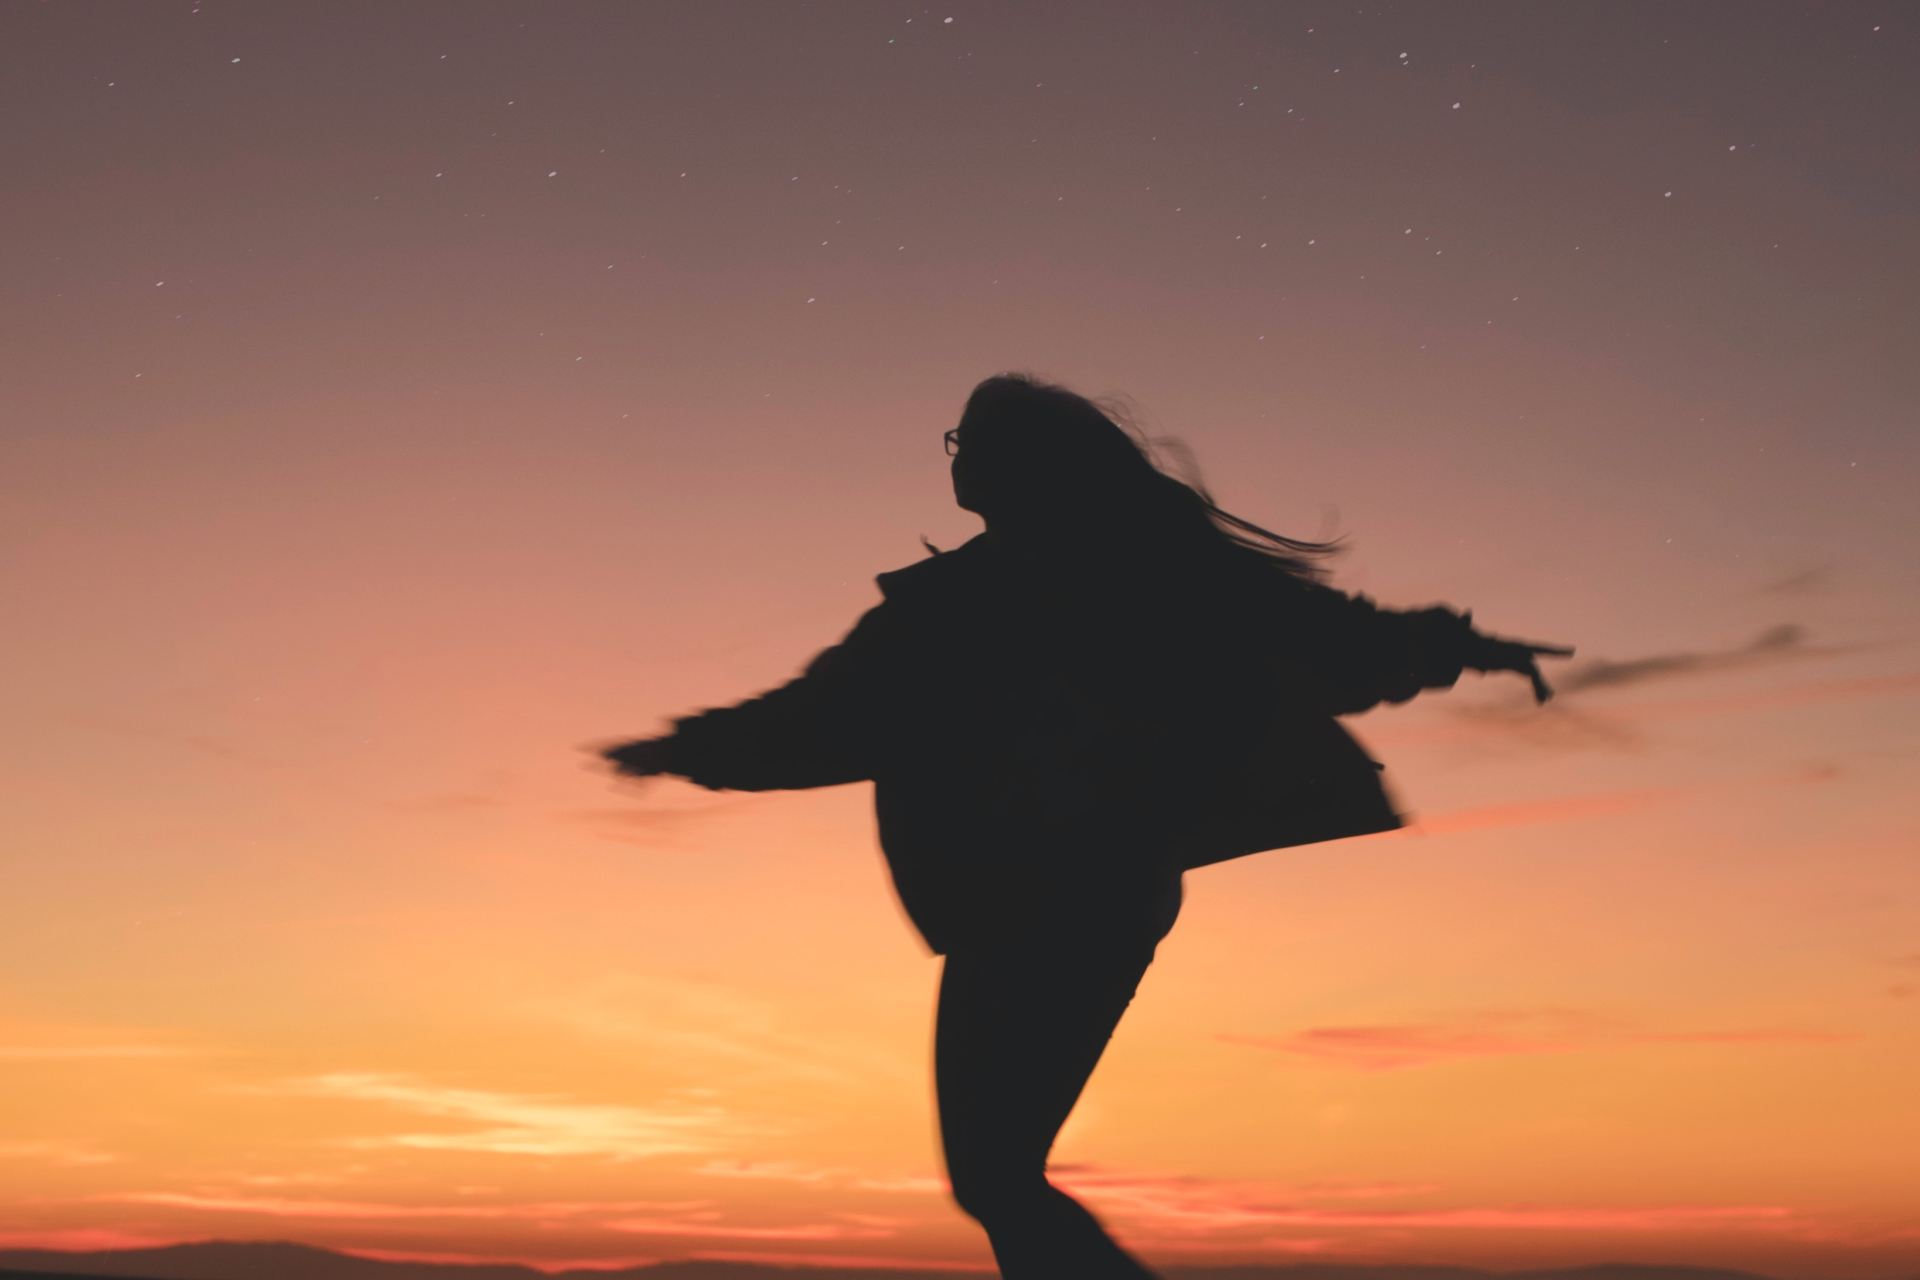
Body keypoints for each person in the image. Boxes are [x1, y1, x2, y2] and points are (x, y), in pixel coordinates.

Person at [583, 372, 1574, 1279]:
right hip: (1066, 894)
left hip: (1052, 897)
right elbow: (828, 715)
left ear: (1024, 462)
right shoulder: (1032, 586)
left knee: (996, 1175)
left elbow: (827, 717)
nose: (958, 455)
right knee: (999, 1173)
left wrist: (684, 750)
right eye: (955, 438)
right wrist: (691, 747)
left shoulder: (1018, 594)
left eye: (972, 438)